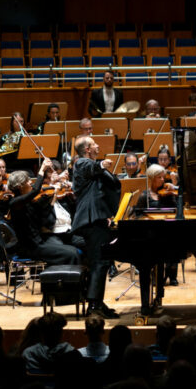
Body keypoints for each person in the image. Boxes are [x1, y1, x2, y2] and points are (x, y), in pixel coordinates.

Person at [71, 135, 121, 317]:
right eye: (94, 144)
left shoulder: (90, 169)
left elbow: (101, 191)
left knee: (102, 262)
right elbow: (90, 166)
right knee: (99, 262)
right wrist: (100, 165)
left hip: (98, 219)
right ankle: (94, 306)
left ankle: (97, 302)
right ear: (87, 149)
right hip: (90, 221)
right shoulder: (81, 163)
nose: (97, 145)